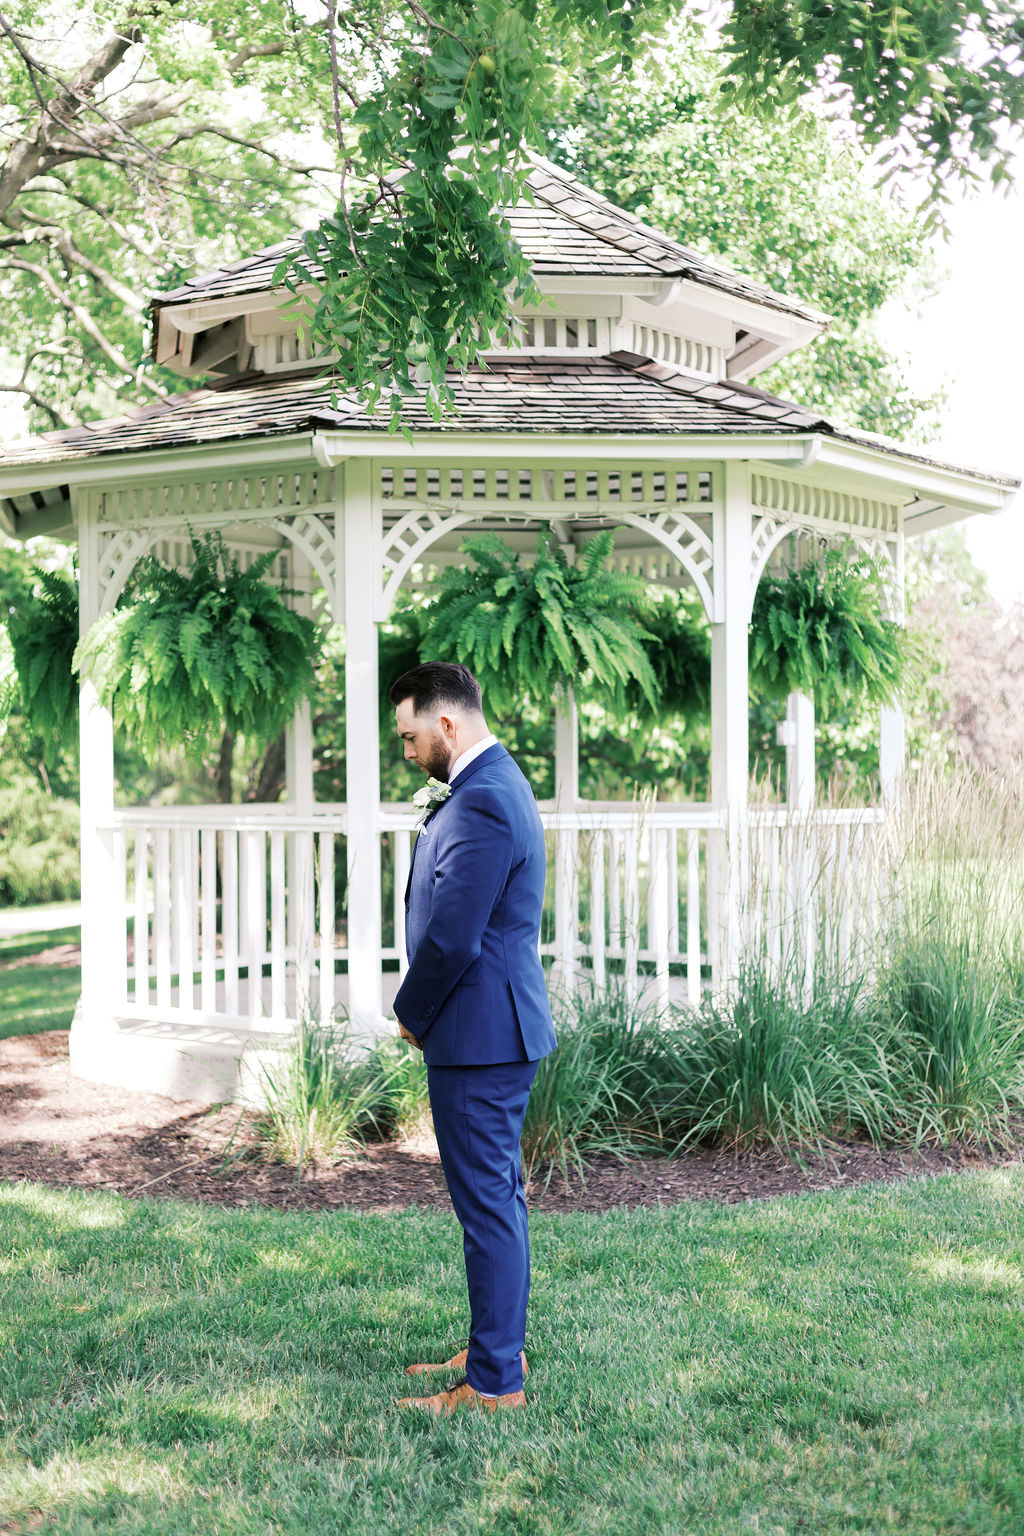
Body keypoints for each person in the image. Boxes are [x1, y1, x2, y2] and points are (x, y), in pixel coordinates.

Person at [388, 661, 557, 1417]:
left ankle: (493, 1386)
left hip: (478, 1033)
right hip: (490, 1030)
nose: (408, 749)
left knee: (487, 1205)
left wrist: (410, 1011)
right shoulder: (493, 784)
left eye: (411, 734)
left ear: (447, 725)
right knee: (497, 1201)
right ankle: (496, 1343)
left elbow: (455, 938)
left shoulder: (485, 798)